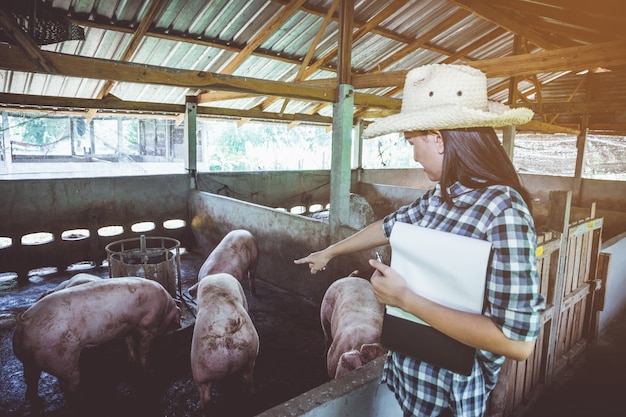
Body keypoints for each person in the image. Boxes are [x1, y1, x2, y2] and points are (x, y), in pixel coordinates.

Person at [294, 64, 546, 417]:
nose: (413, 154)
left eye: (413, 143)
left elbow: (517, 343)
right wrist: (331, 251)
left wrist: (406, 300)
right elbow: (388, 226)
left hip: (450, 400)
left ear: (438, 139)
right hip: (411, 386)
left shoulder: (503, 209)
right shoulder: (439, 198)